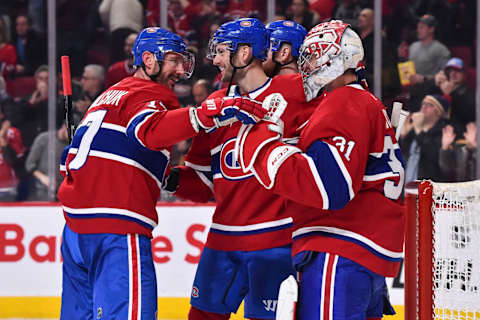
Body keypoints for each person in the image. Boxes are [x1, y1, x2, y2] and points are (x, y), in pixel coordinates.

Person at [57, 27, 264, 320]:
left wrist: (172, 178)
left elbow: (71, 162)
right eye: (173, 60)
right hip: (115, 232)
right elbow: (147, 130)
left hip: (75, 234)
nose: (180, 71)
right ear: (148, 60)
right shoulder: (151, 93)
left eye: (183, 62)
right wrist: (209, 113)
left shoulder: (109, 95)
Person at [234, 20, 404, 319]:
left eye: (313, 55)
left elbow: (330, 187)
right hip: (362, 255)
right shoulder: (365, 102)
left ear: (336, 56)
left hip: (340, 249)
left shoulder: (344, 101)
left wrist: (263, 148)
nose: (307, 65)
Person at [163, 18, 315, 320]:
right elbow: (203, 182)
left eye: (220, 51)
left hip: (276, 241)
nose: (215, 60)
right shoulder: (215, 104)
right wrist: (166, 176)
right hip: (222, 241)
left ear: (244, 54)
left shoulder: (296, 90)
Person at [400, 94, 449, 183]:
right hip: (408, 180)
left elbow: (432, 156)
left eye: (429, 105)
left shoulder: (443, 131)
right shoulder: (414, 128)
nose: (424, 107)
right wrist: (403, 136)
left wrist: (419, 130)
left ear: (439, 112)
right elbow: (404, 153)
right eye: (423, 104)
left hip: (428, 184)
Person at [25, 123, 69, 200]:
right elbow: (30, 164)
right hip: (42, 190)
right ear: (64, 126)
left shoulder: (73, 144)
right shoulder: (44, 138)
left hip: (64, 190)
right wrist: (43, 178)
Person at [435, 57, 475, 136]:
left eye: (457, 71)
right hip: (440, 131)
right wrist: (433, 83)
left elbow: (468, 116)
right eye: (450, 71)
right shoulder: (441, 88)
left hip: (459, 133)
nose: (452, 74)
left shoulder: (470, 94)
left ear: (464, 74)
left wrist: (450, 94)